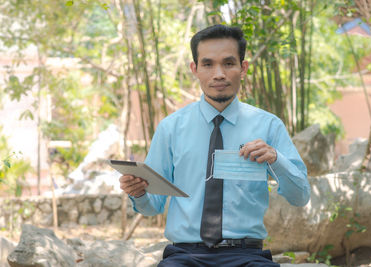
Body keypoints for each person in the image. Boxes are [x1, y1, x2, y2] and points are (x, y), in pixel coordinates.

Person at [119, 24, 310, 267]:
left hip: (246, 255)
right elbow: (152, 207)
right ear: (195, 69)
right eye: (208, 64)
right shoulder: (171, 128)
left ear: (243, 68)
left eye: (228, 63)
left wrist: (276, 158)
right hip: (185, 256)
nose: (218, 73)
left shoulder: (268, 126)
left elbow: (300, 196)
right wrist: (139, 192)